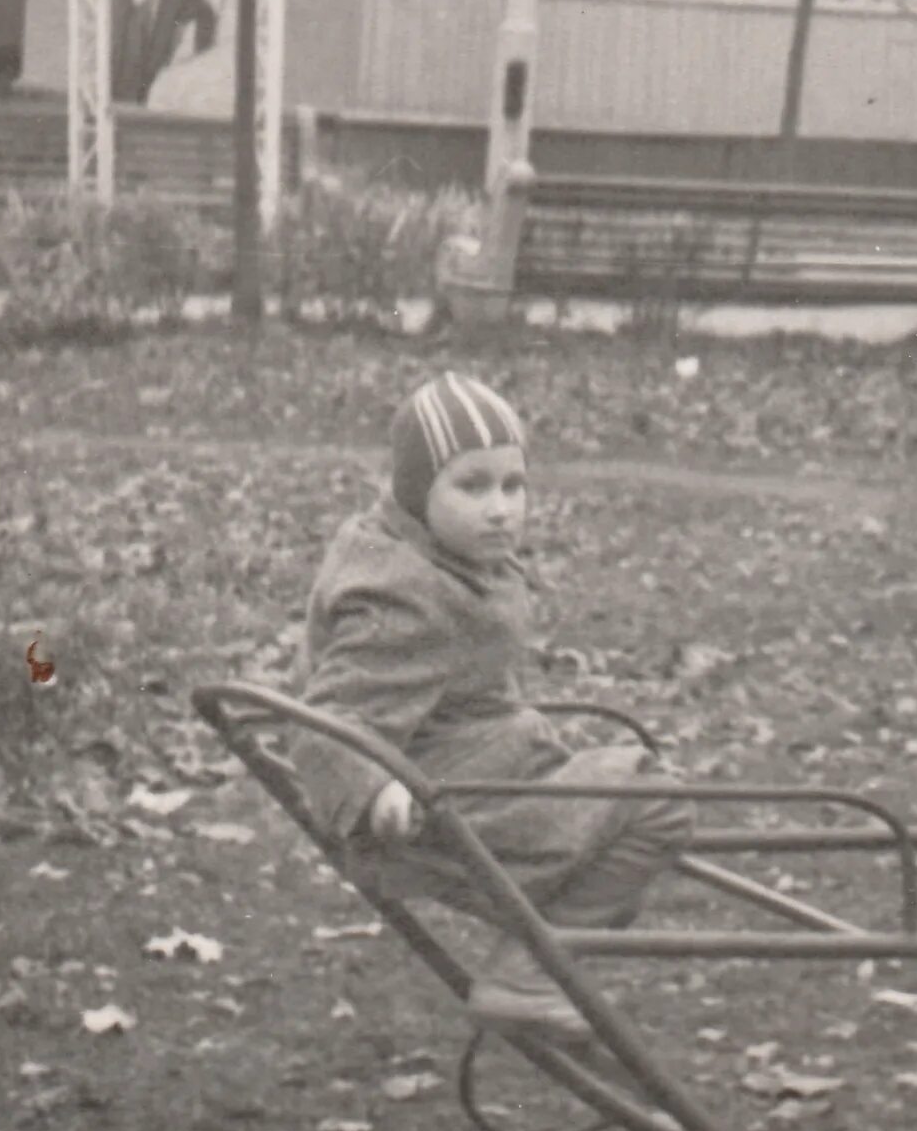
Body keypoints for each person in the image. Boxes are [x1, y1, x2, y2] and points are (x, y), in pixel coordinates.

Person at [287, 371, 693, 1038]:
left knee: (612, 783)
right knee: (658, 802)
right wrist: (374, 790)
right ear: (417, 491)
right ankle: (531, 971)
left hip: (471, 760)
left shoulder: (422, 551)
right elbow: (334, 717)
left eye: (514, 484)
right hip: (434, 804)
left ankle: (542, 939)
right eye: (471, 485)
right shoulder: (407, 597)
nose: (501, 507)